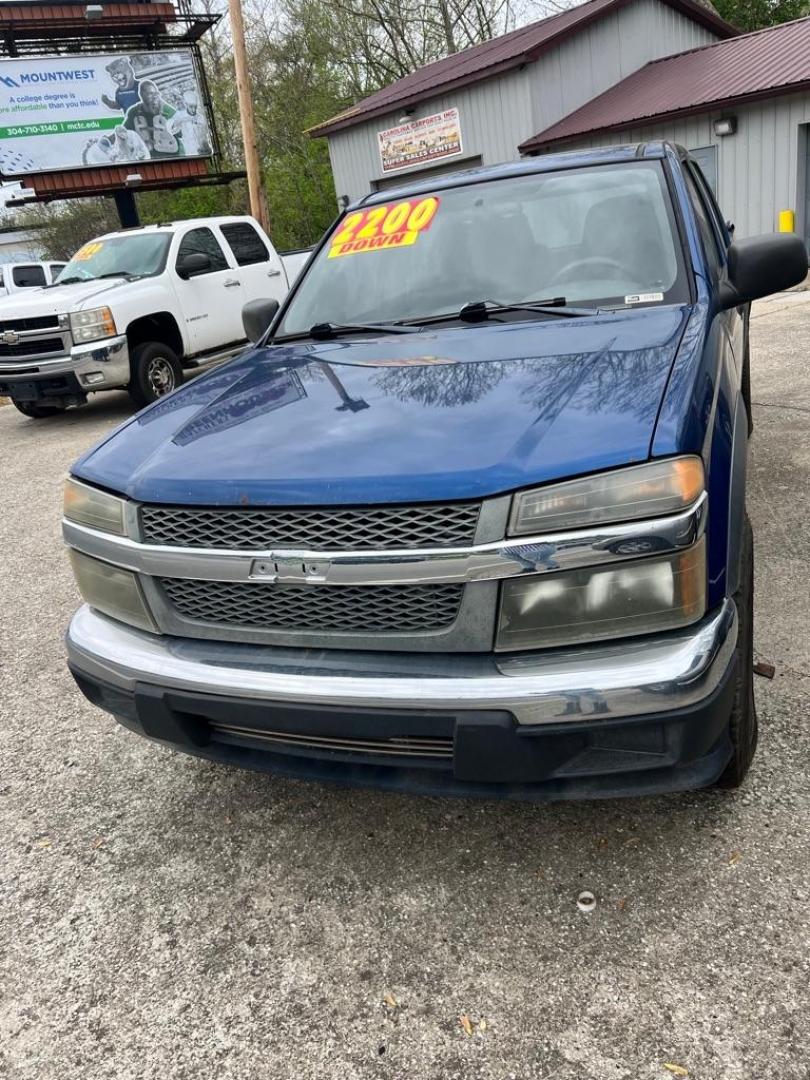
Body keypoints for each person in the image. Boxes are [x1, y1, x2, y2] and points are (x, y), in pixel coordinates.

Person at [123, 80, 184, 159]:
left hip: (173, 156)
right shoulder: (134, 112)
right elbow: (125, 132)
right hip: (150, 158)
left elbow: (180, 133)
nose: (154, 97)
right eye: (150, 94)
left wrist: (171, 128)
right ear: (141, 95)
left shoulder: (168, 111)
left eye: (155, 93)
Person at [169, 90, 211, 157]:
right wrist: (181, 120)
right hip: (189, 151)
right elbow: (171, 130)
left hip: (201, 151)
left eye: (195, 107)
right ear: (186, 104)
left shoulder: (200, 117)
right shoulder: (180, 115)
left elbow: (206, 133)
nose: (193, 110)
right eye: (191, 107)